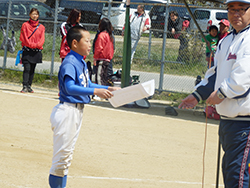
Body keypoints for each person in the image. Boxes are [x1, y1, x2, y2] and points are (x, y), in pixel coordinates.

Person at [178, 0, 250, 186]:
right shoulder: (225, 41)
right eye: (232, 10)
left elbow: (242, 78)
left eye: (241, 9)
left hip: (245, 123)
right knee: (230, 171)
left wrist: (221, 94)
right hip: (228, 121)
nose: (236, 14)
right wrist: (197, 95)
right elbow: (215, 74)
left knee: (238, 176)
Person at [48, 26, 120, 188]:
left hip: (75, 111)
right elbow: (69, 87)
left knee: (65, 160)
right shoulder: (70, 62)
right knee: (61, 161)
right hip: (67, 111)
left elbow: (85, 83)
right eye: (87, 41)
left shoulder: (79, 61)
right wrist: (95, 91)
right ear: (75, 43)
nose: (90, 44)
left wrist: (108, 89)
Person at [19, 8, 45, 93]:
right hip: (27, 50)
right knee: (27, 68)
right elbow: (23, 38)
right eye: (33, 14)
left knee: (32, 69)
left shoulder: (41, 27)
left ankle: (29, 85)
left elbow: (42, 39)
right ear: (30, 15)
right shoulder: (25, 25)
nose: (35, 16)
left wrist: (37, 45)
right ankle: (25, 85)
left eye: (36, 14)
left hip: (36, 51)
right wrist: (31, 45)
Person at [93, 18, 114, 86]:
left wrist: (95, 58)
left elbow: (99, 48)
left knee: (99, 77)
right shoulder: (109, 35)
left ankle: (99, 92)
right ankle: (102, 91)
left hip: (101, 59)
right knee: (104, 77)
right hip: (107, 60)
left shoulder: (102, 35)